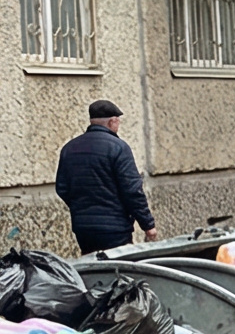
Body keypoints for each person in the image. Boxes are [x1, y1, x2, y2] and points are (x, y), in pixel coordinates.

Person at [54, 100, 159, 253]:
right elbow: (132, 190)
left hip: (83, 229)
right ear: (112, 121)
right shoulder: (118, 147)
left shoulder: (69, 148)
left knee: (93, 270)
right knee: (118, 271)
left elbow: (62, 188)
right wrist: (148, 225)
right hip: (115, 228)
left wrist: (81, 207)